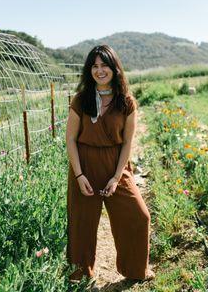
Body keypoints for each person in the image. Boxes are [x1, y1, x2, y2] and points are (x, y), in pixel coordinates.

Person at [65, 45, 155, 284]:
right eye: (94, 66)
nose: (99, 70)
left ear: (114, 68)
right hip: (85, 166)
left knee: (139, 216)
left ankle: (137, 270)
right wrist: (79, 174)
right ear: (89, 70)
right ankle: (80, 277)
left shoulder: (126, 102)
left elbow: (127, 143)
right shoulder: (82, 99)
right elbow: (71, 139)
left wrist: (116, 178)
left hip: (116, 166)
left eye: (104, 65)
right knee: (81, 224)